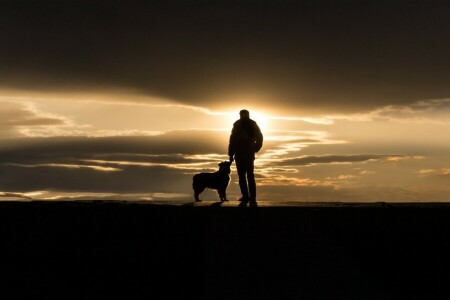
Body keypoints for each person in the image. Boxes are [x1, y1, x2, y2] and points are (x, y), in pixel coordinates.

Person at [228, 109, 263, 202]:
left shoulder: (253, 125)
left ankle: (252, 196)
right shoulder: (236, 125)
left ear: (248, 115)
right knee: (241, 176)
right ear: (240, 115)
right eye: (242, 114)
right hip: (239, 154)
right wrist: (231, 154)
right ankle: (245, 196)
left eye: (245, 114)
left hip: (248, 153)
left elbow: (259, 137)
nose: (243, 116)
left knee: (250, 176)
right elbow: (232, 140)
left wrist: (255, 148)